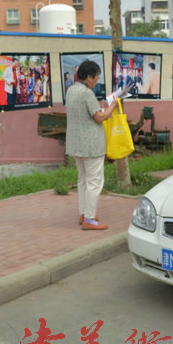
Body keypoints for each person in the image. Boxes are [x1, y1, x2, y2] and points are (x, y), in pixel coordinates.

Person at [65, 60, 129, 231]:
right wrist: (114, 105)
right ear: (88, 77)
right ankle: (89, 219)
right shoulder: (87, 93)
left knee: (83, 180)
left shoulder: (71, 90)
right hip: (91, 146)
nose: (97, 80)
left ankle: (84, 214)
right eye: (96, 77)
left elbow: (86, 114)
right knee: (94, 182)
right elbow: (99, 117)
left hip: (76, 144)